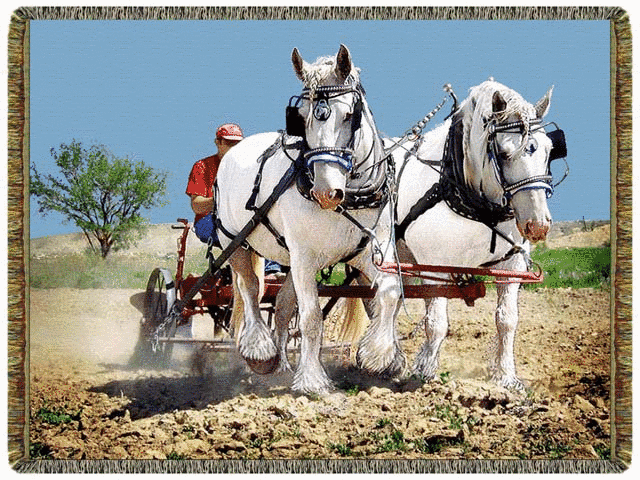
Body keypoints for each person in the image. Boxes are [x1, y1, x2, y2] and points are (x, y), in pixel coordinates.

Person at [186, 123, 284, 276]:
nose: (233, 147)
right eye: (228, 142)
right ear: (218, 142)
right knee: (243, 231)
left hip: (241, 219)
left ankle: (275, 268)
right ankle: (267, 270)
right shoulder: (203, 167)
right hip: (208, 220)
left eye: (237, 143)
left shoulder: (249, 168)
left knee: (269, 227)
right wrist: (223, 200)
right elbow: (197, 206)